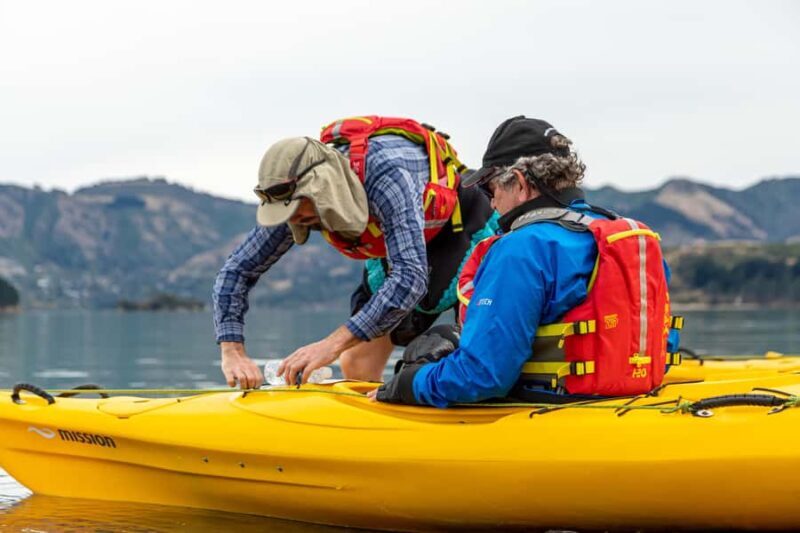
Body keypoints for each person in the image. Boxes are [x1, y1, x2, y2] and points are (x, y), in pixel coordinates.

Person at [372, 116, 682, 406]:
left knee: (426, 355)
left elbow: (482, 376)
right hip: (633, 404)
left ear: (519, 183)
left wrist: (404, 385)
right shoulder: (629, 236)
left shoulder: (521, 248)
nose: (490, 202)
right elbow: (664, 342)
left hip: (553, 410)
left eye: (488, 187)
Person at [213, 116, 496, 389]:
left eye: (297, 210)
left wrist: (329, 345)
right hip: (398, 244)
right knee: (357, 360)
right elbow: (237, 270)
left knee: (472, 349)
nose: (293, 219)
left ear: (322, 190)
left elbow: (410, 278)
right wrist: (232, 350)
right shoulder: (293, 201)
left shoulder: (386, 173)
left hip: (459, 229)